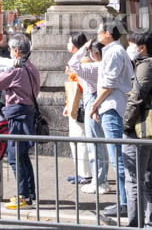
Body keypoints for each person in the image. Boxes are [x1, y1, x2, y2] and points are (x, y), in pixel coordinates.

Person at [123, 29, 152, 229]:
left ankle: (136, 224)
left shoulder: (144, 67)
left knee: (134, 180)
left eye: (132, 44)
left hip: (139, 129)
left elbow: (137, 97)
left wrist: (126, 123)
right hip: (150, 129)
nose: (129, 47)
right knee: (149, 178)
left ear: (141, 48)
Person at [89, 17, 134, 217]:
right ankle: (125, 201)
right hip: (112, 106)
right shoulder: (113, 51)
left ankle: (126, 202)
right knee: (118, 157)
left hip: (113, 108)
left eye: (99, 31)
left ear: (108, 33)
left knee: (118, 158)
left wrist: (95, 105)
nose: (98, 35)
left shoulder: (114, 52)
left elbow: (109, 84)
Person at [0, 33, 40, 210]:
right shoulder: (32, 67)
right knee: (23, 155)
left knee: (14, 157)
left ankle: (23, 196)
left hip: (16, 114)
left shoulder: (16, 69)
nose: (10, 52)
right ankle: (30, 193)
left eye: (11, 49)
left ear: (17, 51)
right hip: (28, 111)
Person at [71, 36, 108, 194]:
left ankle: (99, 181)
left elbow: (72, 63)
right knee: (100, 144)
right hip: (100, 100)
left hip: (92, 100)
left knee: (94, 144)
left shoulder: (94, 68)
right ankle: (101, 179)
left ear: (94, 53)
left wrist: (84, 48)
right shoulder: (106, 65)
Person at [63, 32, 92, 185]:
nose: (67, 45)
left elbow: (81, 86)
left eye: (69, 42)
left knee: (81, 141)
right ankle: (81, 172)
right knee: (75, 140)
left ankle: (86, 174)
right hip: (75, 106)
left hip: (81, 106)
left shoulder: (85, 61)